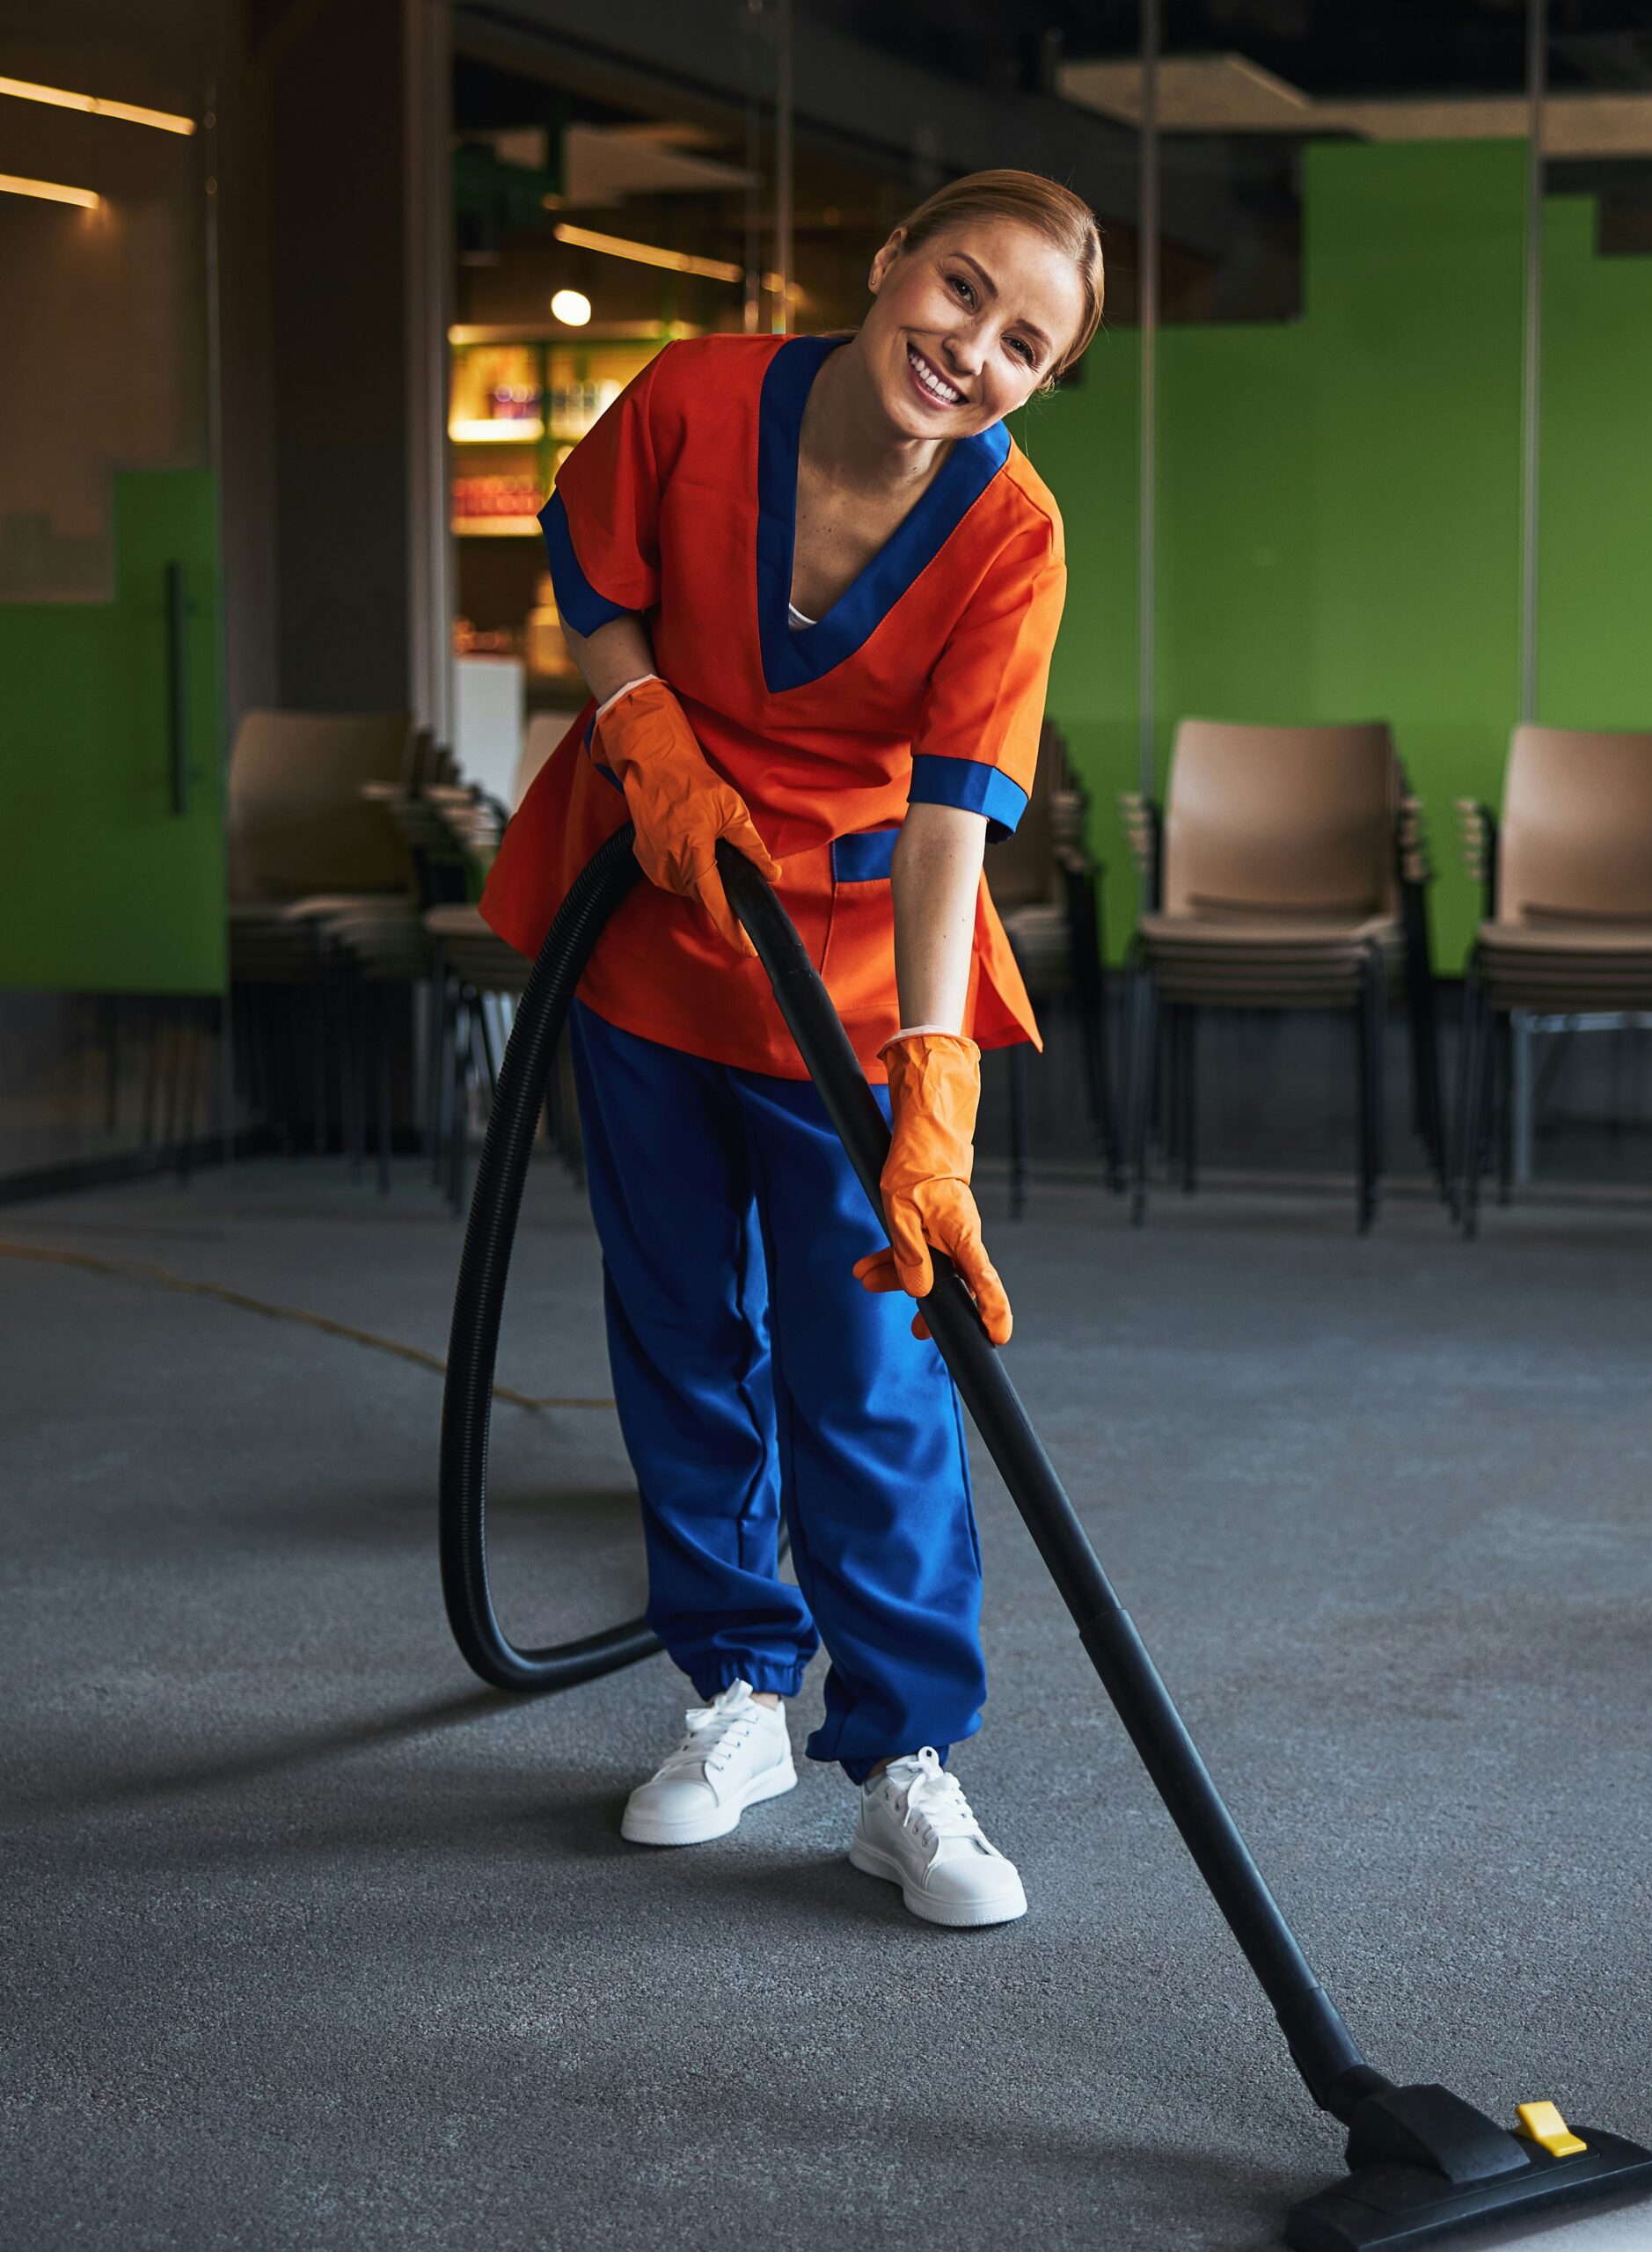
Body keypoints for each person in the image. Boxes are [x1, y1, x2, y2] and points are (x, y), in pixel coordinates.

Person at [481, 169, 1102, 1928]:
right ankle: (738, 1693)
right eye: (960, 288)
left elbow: (950, 826)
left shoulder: (1010, 537)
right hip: (653, 924)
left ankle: (905, 1757)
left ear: (1042, 382)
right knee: (680, 1328)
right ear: (887, 252)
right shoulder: (691, 398)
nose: (970, 346)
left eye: (1022, 341)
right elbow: (591, 575)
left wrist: (932, 1080)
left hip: (842, 967)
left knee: (870, 1365)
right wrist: (641, 722)